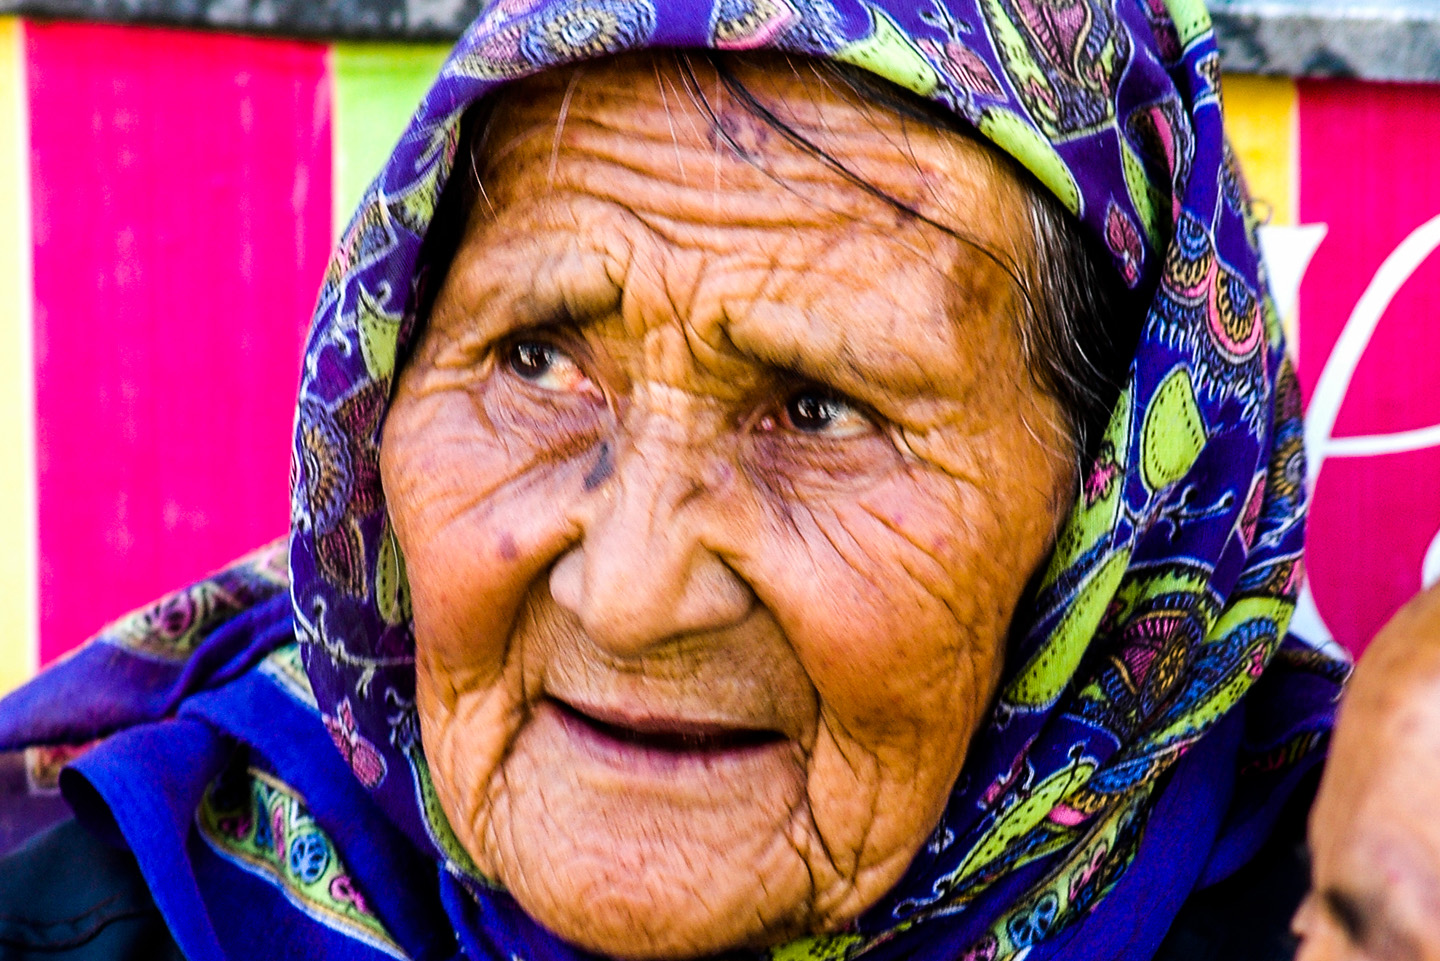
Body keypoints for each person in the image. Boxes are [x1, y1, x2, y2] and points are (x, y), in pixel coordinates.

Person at [0, 0, 1355, 958]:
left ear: (1110, 512)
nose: (635, 592)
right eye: (533, 357)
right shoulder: (118, 917)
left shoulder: (1371, 909)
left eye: (821, 409)